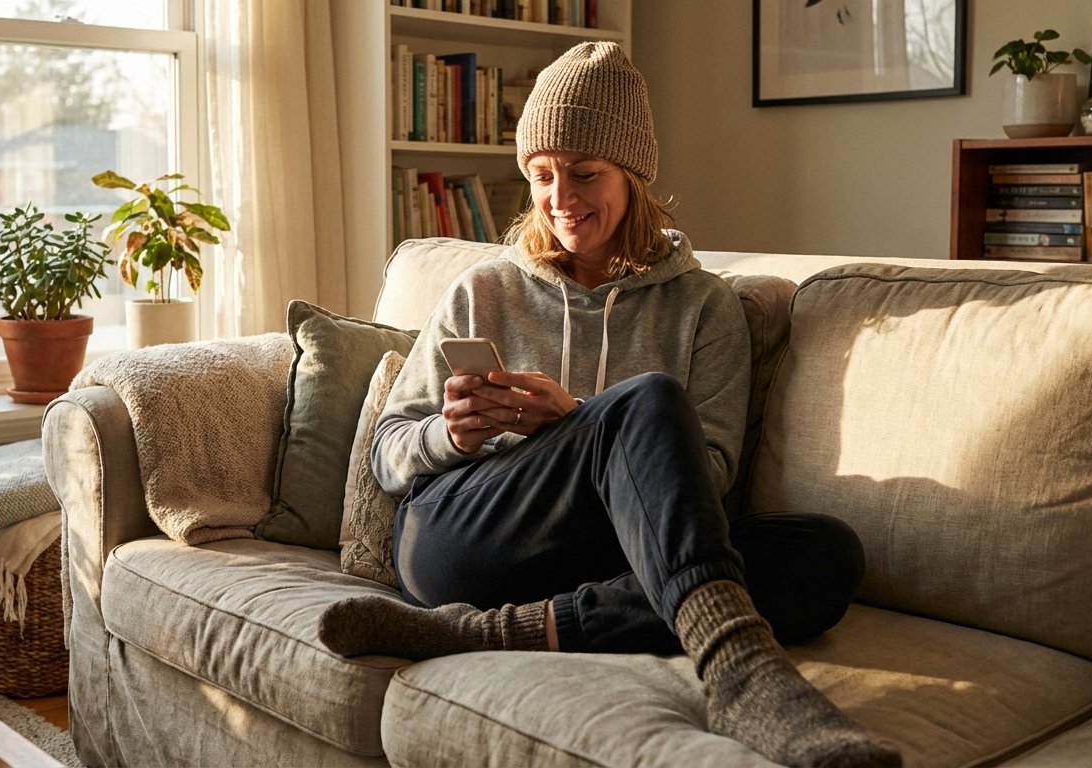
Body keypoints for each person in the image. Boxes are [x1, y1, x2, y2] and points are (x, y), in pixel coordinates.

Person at [317, 42, 900, 768]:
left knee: (824, 558)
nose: (560, 197)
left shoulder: (705, 307)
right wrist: (451, 436)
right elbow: (387, 452)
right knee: (649, 400)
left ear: (634, 176)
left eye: (584, 174)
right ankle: (741, 671)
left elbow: (709, 475)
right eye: (541, 176)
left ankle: (485, 633)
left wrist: (583, 420)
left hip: (613, 550)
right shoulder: (483, 291)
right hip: (466, 534)